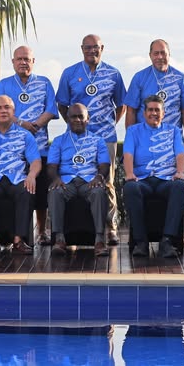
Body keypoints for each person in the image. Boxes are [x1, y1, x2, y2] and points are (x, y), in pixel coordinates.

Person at [56, 34, 127, 245]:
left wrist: (110, 124)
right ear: (82, 49)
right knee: (74, 179)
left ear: (102, 48)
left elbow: (122, 105)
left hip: (105, 137)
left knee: (107, 182)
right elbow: (62, 104)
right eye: (87, 47)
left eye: (95, 47)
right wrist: (75, 125)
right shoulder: (70, 73)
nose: (91, 51)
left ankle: (111, 228)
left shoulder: (114, 74)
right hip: (77, 138)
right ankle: (72, 231)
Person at [0, 45, 57, 245]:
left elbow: (51, 109)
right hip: (12, 151)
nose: (23, 62)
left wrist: (35, 125)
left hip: (40, 147)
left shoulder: (44, 82)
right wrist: (22, 124)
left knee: (40, 192)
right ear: (13, 62)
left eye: (27, 59)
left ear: (33, 61)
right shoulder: (3, 85)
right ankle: (18, 233)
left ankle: (42, 231)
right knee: (17, 191)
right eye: (19, 59)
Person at [0, 95, 42, 255]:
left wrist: (31, 175)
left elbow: (36, 161)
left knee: (27, 189)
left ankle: (19, 240)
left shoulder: (26, 135)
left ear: (13, 111)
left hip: (17, 179)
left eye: (7, 107)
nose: (3, 111)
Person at [122, 95, 184, 258]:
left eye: (157, 110)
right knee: (130, 187)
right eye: (150, 110)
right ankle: (141, 242)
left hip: (166, 180)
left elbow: (180, 155)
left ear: (163, 113)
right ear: (144, 113)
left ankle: (167, 241)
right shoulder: (133, 131)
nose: (153, 113)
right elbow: (128, 155)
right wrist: (129, 174)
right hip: (142, 180)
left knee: (180, 186)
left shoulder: (174, 131)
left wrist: (180, 172)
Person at [47, 103, 111, 257]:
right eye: (73, 117)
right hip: (66, 182)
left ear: (87, 119)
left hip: (89, 182)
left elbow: (104, 164)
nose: (77, 120)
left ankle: (99, 240)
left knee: (99, 192)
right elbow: (51, 165)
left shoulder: (98, 140)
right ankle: (59, 239)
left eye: (81, 116)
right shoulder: (59, 141)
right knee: (55, 192)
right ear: (67, 119)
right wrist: (55, 178)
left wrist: (99, 177)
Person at [123, 39, 184, 152]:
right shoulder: (139, 77)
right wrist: (130, 142)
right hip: (144, 141)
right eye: (156, 53)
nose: (160, 57)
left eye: (163, 53)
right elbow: (131, 111)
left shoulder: (181, 78)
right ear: (150, 55)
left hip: (172, 141)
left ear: (169, 54)